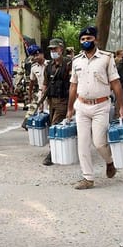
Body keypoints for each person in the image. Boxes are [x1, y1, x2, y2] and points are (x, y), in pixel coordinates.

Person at [66, 26, 123, 190]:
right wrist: (70, 108)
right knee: (83, 143)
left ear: (96, 40)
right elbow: (73, 86)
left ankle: (109, 162)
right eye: (83, 39)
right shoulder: (76, 60)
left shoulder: (106, 58)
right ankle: (88, 178)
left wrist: (121, 106)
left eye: (89, 39)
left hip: (101, 106)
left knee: (99, 143)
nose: (86, 41)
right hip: (82, 106)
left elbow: (116, 83)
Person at [42, 38, 72, 166]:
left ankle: (52, 154)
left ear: (61, 49)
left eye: (55, 48)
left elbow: (73, 85)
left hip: (63, 100)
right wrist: (41, 99)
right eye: (51, 49)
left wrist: (72, 105)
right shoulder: (49, 66)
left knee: (55, 125)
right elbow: (45, 83)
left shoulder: (69, 65)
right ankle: (58, 148)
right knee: (52, 124)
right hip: (51, 100)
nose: (53, 51)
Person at [21, 45, 49, 129]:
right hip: (40, 92)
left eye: (37, 55)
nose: (36, 57)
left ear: (42, 54)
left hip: (50, 91)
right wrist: (30, 94)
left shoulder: (50, 64)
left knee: (48, 112)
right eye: (33, 56)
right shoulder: (34, 67)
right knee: (36, 110)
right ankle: (29, 124)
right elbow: (32, 82)